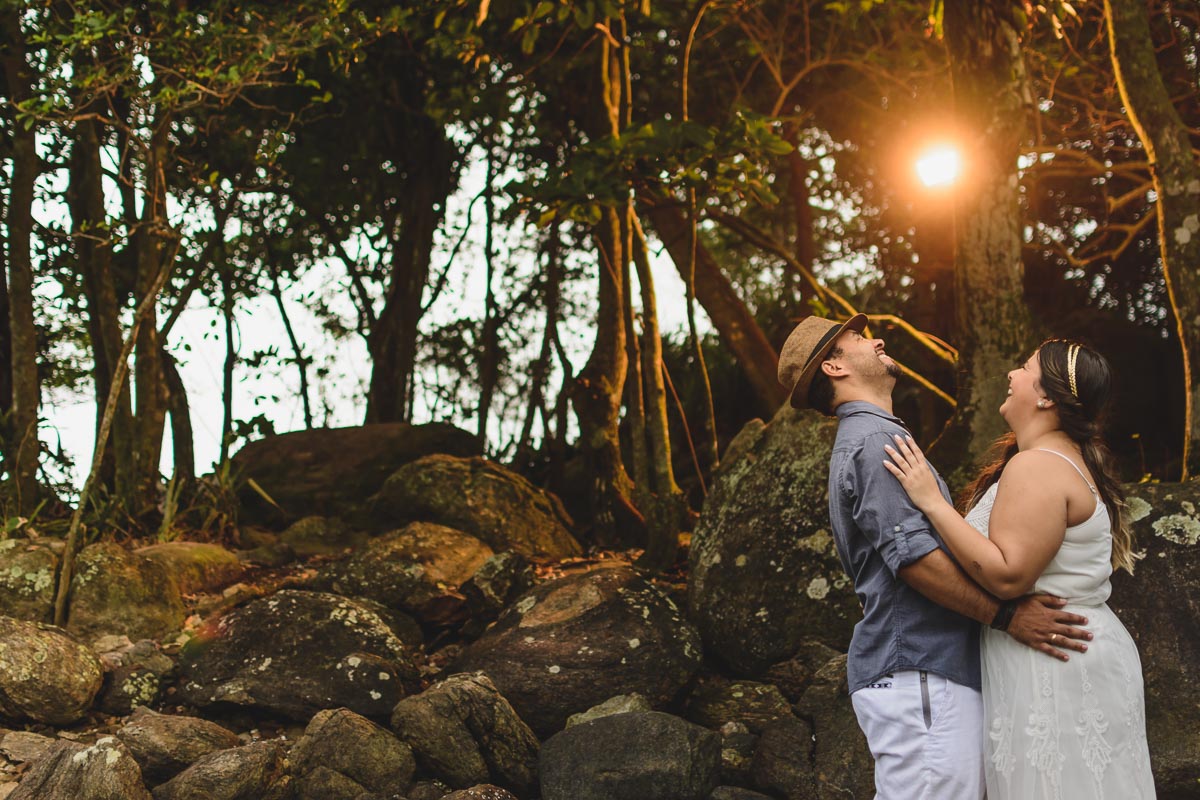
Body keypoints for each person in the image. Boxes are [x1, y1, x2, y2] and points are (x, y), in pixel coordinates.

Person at [776, 314, 1093, 800]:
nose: (876, 339)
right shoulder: (875, 441)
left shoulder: (876, 437)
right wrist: (1006, 617)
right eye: (858, 339)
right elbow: (915, 562)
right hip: (920, 668)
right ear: (834, 367)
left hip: (926, 671)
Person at [882, 338, 1154, 799]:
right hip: (1062, 650)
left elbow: (1009, 575)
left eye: (1024, 367)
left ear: (1047, 396)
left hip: (1058, 663)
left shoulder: (1039, 466)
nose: (1011, 374)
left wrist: (930, 501)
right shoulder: (1054, 459)